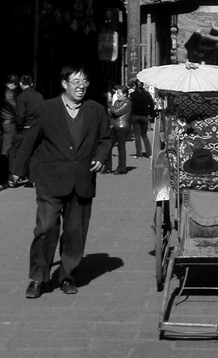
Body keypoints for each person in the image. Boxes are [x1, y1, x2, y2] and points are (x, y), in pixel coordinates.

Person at [11, 64, 111, 298]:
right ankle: (38, 277)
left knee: (75, 233)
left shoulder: (95, 110)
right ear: (64, 84)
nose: (81, 86)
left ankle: (67, 275)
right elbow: (30, 140)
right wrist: (18, 169)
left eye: (84, 82)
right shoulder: (46, 109)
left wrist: (100, 157)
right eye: (76, 82)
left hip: (82, 180)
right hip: (50, 180)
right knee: (45, 228)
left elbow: (106, 138)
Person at [8, 74, 43, 186]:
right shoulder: (39, 96)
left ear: (21, 84)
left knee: (14, 150)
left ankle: (15, 176)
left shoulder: (22, 97)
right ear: (32, 84)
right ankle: (33, 179)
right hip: (39, 127)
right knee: (34, 153)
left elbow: (20, 115)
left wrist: (19, 127)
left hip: (26, 128)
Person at [108, 84, 132, 174]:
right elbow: (111, 114)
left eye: (119, 93)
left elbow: (116, 112)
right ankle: (108, 166)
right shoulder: (117, 102)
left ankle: (122, 168)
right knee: (108, 146)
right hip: (114, 125)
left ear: (125, 94)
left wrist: (109, 105)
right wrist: (111, 109)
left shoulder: (127, 103)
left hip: (122, 126)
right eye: (117, 93)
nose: (117, 95)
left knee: (121, 148)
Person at [130, 80, 154, 159]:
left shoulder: (132, 95)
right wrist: (150, 113)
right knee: (144, 135)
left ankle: (139, 154)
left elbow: (130, 106)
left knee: (137, 136)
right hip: (144, 116)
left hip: (135, 116)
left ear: (135, 85)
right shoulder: (147, 94)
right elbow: (151, 104)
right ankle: (149, 153)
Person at [0, 74, 20, 168]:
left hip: (7, 122)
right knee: (8, 148)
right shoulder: (9, 94)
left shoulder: (6, 92)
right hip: (9, 123)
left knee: (8, 147)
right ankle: (7, 172)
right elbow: (15, 108)